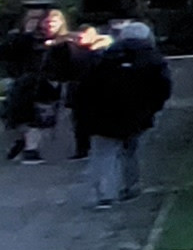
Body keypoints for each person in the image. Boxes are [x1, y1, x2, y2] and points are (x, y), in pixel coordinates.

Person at [69, 20, 174, 208]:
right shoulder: (154, 59)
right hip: (138, 113)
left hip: (103, 114)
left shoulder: (104, 57)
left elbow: (85, 88)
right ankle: (130, 186)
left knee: (103, 154)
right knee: (131, 150)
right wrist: (152, 108)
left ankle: (104, 194)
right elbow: (163, 88)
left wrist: (85, 113)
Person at [0, 7, 60, 161]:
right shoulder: (16, 38)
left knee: (39, 117)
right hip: (19, 82)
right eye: (32, 19)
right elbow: (4, 54)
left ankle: (31, 149)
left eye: (39, 19)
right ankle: (23, 142)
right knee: (13, 116)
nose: (35, 23)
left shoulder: (48, 39)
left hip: (42, 83)